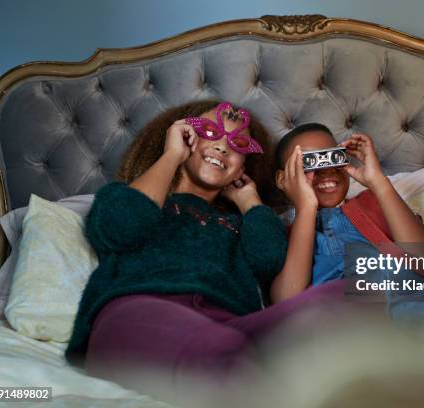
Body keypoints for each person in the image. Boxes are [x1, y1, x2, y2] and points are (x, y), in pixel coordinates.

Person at [64, 101, 346, 402]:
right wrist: (172, 156)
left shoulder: (241, 222)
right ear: (183, 135)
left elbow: (269, 259)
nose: (223, 147)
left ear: (244, 167)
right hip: (139, 309)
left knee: (350, 296)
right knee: (222, 354)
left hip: (228, 320)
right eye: (209, 131)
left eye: (237, 143)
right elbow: (120, 226)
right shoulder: (131, 197)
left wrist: (250, 202)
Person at [271, 123, 424, 349]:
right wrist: (306, 207)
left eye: (333, 157)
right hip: (336, 322)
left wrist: (379, 184)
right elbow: (286, 300)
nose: (326, 169)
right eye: (308, 163)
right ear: (282, 180)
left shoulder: (372, 203)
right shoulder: (280, 234)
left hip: (400, 295)